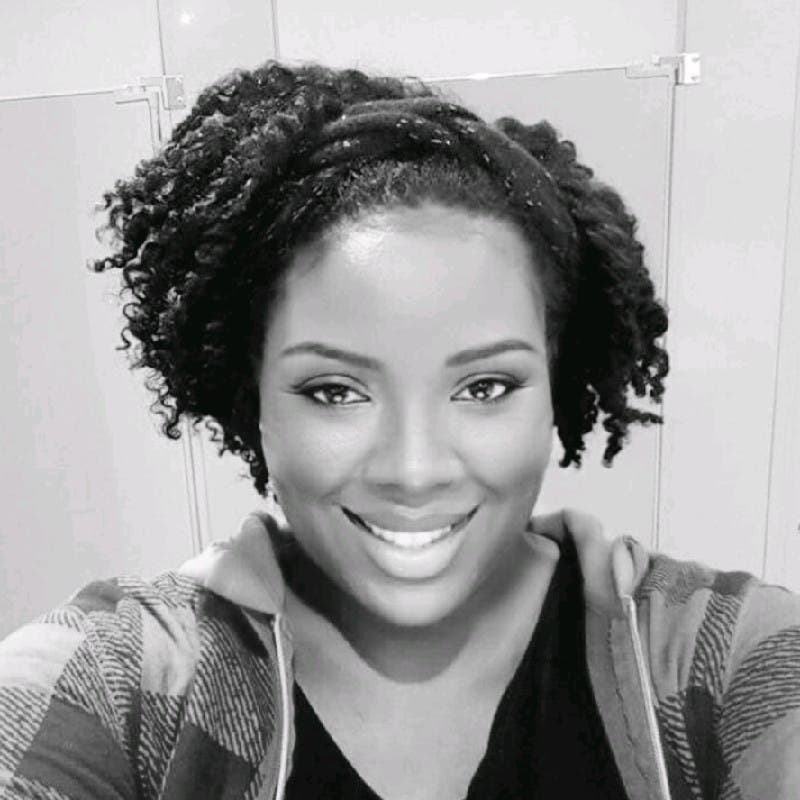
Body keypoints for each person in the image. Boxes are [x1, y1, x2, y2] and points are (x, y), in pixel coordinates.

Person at [1, 59, 798, 800]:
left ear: (556, 388)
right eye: (335, 391)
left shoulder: (719, 662)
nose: (415, 471)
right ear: (252, 402)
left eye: (484, 387)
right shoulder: (125, 686)